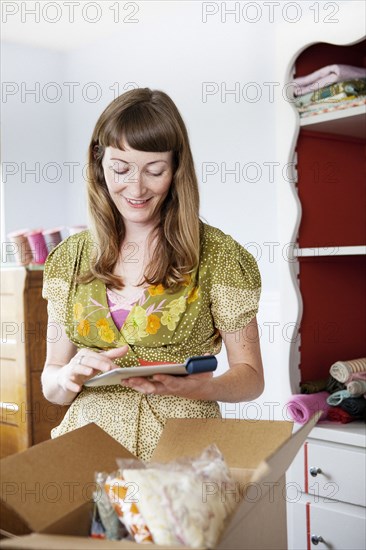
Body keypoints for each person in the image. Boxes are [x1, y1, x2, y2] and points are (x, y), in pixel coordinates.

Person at [41, 87, 264, 461]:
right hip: (88, 455)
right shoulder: (69, 259)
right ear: (99, 162)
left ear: (176, 168)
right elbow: (52, 380)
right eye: (121, 168)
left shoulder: (219, 256)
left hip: (185, 458)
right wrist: (65, 379)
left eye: (154, 170)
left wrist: (198, 389)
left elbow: (251, 376)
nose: (136, 187)